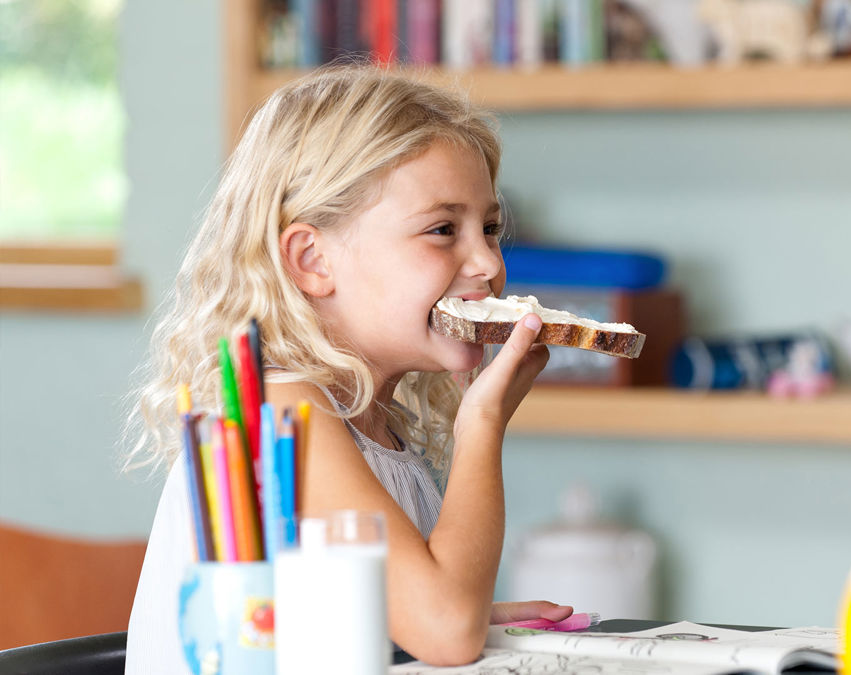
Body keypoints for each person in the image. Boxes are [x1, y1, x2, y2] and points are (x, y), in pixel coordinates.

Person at [124, 63, 572, 673]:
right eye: (443, 230)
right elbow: (447, 633)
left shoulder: (374, 424)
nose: (488, 263)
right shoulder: (285, 416)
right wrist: (483, 419)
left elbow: (415, 621)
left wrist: (426, 614)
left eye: (490, 228)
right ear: (312, 259)